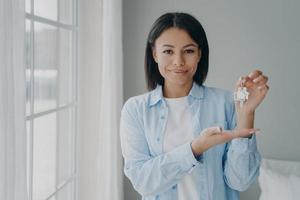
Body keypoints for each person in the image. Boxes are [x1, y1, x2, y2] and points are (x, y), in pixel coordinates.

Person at [120, 12, 269, 200]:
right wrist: (195, 149)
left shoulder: (226, 103)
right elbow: (143, 182)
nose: (178, 61)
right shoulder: (135, 110)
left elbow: (241, 181)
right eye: (168, 51)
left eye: (188, 51)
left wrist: (246, 115)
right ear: (154, 53)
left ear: (199, 53)